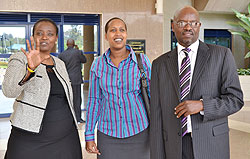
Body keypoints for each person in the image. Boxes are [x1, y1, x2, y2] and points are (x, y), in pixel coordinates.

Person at [150, 6, 244, 159]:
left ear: (199, 26)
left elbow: (235, 100)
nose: (188, 27)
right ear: (173, 26)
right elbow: (156, 114)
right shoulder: (159, 64)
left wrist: (202, 105)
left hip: (211, 144)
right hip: (174, 146)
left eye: (193, 23)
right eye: (181, 23)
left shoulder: (221, 55)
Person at [2, 18, 82, 159]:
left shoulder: (60, 63)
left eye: (50, 34)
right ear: (33, 37)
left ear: (56, 38)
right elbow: (9, 91)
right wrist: (29, 70)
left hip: (65, 139)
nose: (45, 37)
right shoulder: (21, 58)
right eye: (40, 33)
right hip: (29, 139)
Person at [85, 17, 151, 159]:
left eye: (122, 30)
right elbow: (94, 101)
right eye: (113, 30)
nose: (118, 34)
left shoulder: (142, 61)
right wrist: (89, 134)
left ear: (126, 34)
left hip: (139, 131)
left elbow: (153, 95)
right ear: (106, 35)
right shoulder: (98, 65)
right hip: (108, 134)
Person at [59, 39, 87, 123]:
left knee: (67, 99)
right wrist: (78, 49)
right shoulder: (78, 52)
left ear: (67, 44)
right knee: (77, 99)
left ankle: (69, 118)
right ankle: (78, 118)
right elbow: (84, 60)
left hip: (67, 80)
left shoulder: (62, 54)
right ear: (74, 44)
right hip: (76, 79)